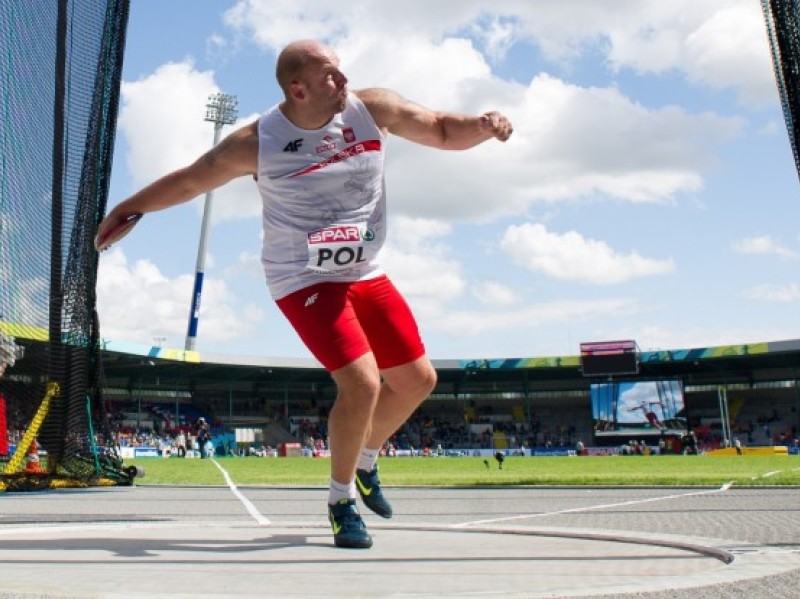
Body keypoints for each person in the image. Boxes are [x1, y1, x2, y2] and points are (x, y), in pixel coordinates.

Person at [96, 39, 513, 549]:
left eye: (341, 71)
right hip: (303, 277)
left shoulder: (371, 108)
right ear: (297, 89)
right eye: (329, 76)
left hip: (363, 269)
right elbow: (190, 181)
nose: (343, 80)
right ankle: (341, 503)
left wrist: (485, 126)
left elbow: (445, 129)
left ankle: (365, 462)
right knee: (362, 384)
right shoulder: (257, 142)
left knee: (417, 380)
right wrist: (128, 209)